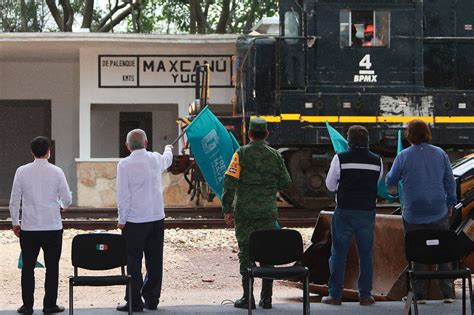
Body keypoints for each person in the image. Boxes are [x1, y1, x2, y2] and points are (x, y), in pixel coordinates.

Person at [222, 118, 292, 310]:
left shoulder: (241, 154)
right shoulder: (275, 156)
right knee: (267, 253)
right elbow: (286, 183)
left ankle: (248, 298)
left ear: (249, 134)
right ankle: (267, 298)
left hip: (244, 213)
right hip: (268, 213)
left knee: (246, 253)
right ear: (267, 134)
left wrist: (227, 209)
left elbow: (229, 183)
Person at [386, 119, 456, 303]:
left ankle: (419, 295)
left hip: (413, 213)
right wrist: (450, 203)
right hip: (438, 210)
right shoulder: (441, 154)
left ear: (409, 135)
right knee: (443, 250)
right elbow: (450, 181)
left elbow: (390, 181)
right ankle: (447, 293)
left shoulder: (403, 156)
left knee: (417, 250)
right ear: (427, 133)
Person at [9, 136, 72, 314]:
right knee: (52, 267)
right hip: (52, 227)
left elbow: (14, 200)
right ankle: (49, 305)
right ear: (49, 151)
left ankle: (27, 306)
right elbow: (67, 199)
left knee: (27, 267)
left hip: (29, 228)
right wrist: (62, 206)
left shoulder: (21, 171)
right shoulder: (57, 171)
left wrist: (15, 222)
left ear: (32, 152)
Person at [322, 125, 382, 306]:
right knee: (366, 254)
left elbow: (330, 186)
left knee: (338, 253)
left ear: (349, 141)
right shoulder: (377, 160)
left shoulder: (340, 158)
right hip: (367, 212)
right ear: (367, 141)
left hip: (345, 212)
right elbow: (376, 183)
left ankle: (335, 295)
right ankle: (365, 296)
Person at [116, 129, 173, 312]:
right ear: (147, 143)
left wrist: (121, 219)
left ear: (127, 146)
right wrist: (168, 148)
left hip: (134, 221)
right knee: (155, 260)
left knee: (133, 261)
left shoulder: (124, 164)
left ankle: (134, 302)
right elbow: (167, 159)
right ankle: (152, 299)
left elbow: (123, 195)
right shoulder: (156, 158)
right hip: (156, 218)